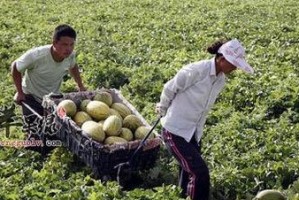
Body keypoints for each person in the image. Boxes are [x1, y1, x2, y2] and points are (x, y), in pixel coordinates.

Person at [156, 38, 254, 200]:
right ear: (222, 59)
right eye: (233, 64)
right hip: (174, 130)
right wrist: (162, 106)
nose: (235, 68)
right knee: (199, 172)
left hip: (192, 132)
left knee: (188, 171)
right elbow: (170, 87)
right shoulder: (196, 70)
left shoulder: (220, 80)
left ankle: (181, 196)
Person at [11, 24, 86, 153]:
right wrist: (19, 92)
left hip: (52, 99)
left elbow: (73, 66)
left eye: (71, 44)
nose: (68, 49)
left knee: (54, 135)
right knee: (38, 139)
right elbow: (15, 67)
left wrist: (80, 85)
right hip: (31, 96)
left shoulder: (70, 55)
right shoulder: (37, 55)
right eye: (64, 44)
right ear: (54, 43)